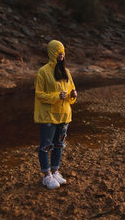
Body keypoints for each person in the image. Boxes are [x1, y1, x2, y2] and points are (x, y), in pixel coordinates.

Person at [34, 40, 78, 189]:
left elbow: (71, 95)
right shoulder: (43, 71)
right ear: (51, 52)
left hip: (64, 115)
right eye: (58, 51)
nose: (61, 54)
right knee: (46, 145)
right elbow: (39, 94)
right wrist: (56, 96)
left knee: (59, 144)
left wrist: (73, 95)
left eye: (62, 51)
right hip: (48, 115)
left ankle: (55, 171)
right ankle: (46, 176)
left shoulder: (66, 71)